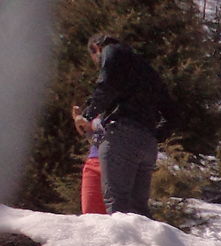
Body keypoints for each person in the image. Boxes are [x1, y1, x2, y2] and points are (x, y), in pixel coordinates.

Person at [75, 34, 172, 216]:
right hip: (147, 144)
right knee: (138, 212)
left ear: (96, 48)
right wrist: (154, 135)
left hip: (119, 136)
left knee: (117, 207)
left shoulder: (112, 51)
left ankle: (124, 245)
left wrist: (86, 116)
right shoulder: (147, 70)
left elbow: (106, 84)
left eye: (96, 60)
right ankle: (146, 245)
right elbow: (172, 113)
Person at [71, 103, 106, 214]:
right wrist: (79, 119)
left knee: (120, 219)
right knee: (91, 217)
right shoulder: (96, 101)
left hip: (120, 162)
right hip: (94, 160)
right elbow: (91, 134)